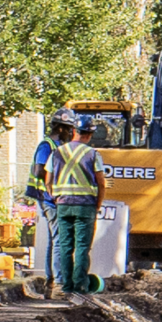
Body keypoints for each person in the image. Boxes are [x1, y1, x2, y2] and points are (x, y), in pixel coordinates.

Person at [44, 112, 106, 294]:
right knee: (82, 247)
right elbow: (101, 182)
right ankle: (80, 285)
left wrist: (56, 196)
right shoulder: (92, 154)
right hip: (85, 206)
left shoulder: (57, 152)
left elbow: (48, 179)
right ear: (89, 134)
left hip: (62, 205)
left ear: (74, 131)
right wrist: (98, 204)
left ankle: (65, 286)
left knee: (65, 246)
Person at [21, 124, 59, 285]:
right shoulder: (47, 146)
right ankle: (58, 281)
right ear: (62, 128)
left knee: (55, 238)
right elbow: (39, 170)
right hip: (47, 197)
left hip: (51, 197)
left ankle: (52, 279)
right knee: (59, 238)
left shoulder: (56, 146)